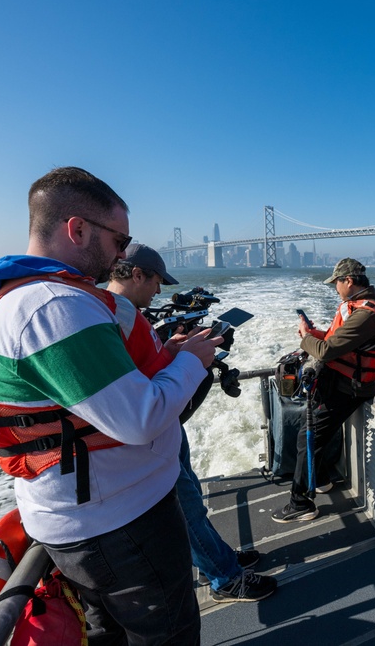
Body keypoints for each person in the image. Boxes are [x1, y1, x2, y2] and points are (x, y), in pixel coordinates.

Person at [0, 167, 219, 643]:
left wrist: (166, 357)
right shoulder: (53, 307)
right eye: (119, 239)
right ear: (78, 229)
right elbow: (139, 418)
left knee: (109, 636)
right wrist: (192, 361)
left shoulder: (40, 299)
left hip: (96, 519)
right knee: (167, 635)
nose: (123, 254)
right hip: (122, 526)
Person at [106, 244, 277, 603]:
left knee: (192, 496)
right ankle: (225, 578)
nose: (159, 291)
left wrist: (172, 350)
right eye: (156, 282)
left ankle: (217, 557)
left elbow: (142, 367)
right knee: (186, 505)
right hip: (150, 435)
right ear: (136, 274)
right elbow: (126, 391)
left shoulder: (129, 313)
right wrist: (188, 362)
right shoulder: (114, 316)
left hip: (166, 427)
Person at [271, 258, 375, 523]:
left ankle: (301, 503)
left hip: (349, 388)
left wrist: (305, 337)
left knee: (308, 437)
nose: (335, 288)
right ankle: (321, 478)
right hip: (341, 383)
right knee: (315, 432)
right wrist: (314, 332)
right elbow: (335, 340)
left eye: (336, 282)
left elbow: (325, 350)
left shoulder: (366, 315)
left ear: (348, 281)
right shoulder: (359, 308)